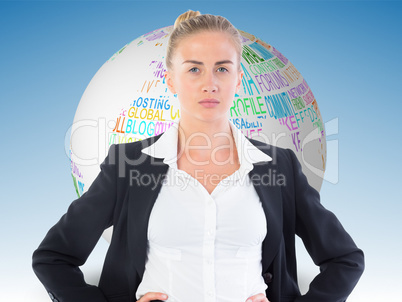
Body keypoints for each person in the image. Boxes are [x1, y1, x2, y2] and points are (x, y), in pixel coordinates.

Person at [32, 10, 364, 302]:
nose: (210, 83)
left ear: (238, 80)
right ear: (171, 80)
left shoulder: (279, 167)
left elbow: (345, 260)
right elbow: (53, 257)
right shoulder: (128, 164)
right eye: (194, 70)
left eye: (222, 69)